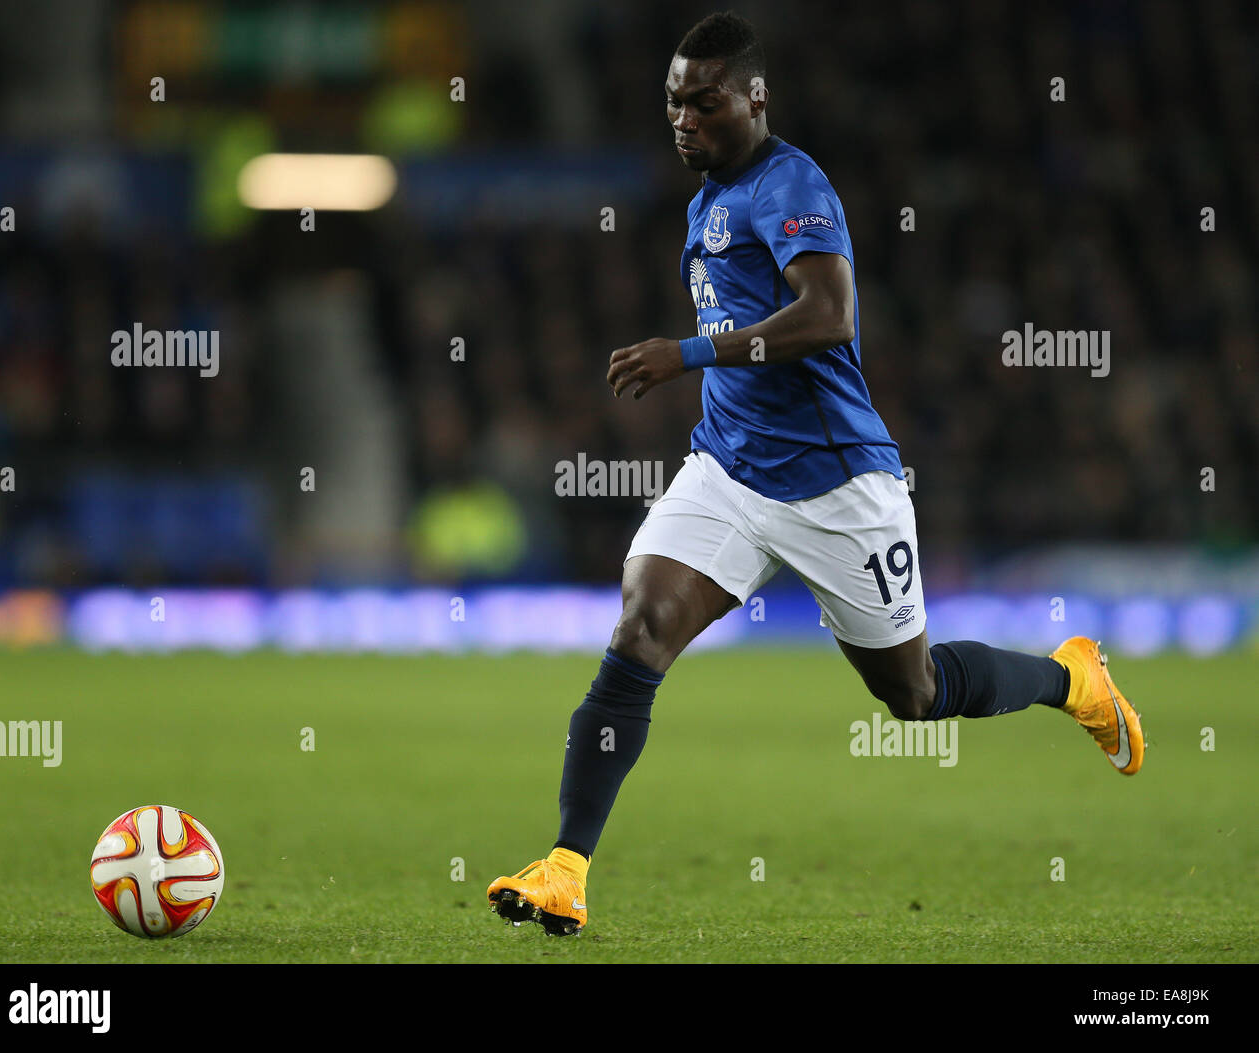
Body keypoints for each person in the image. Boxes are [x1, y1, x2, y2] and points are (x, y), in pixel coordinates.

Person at [487, 11, 1143, 938]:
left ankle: (1071, 681)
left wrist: (690, 351)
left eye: (702, 101)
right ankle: (565, 868)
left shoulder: (792, 184)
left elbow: (828, 315)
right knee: (639, 631)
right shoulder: (706, 196)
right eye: (673, 102)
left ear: (755, 100)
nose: (682, 119)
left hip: (838, 482)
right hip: (727, 470)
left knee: (910, 694)